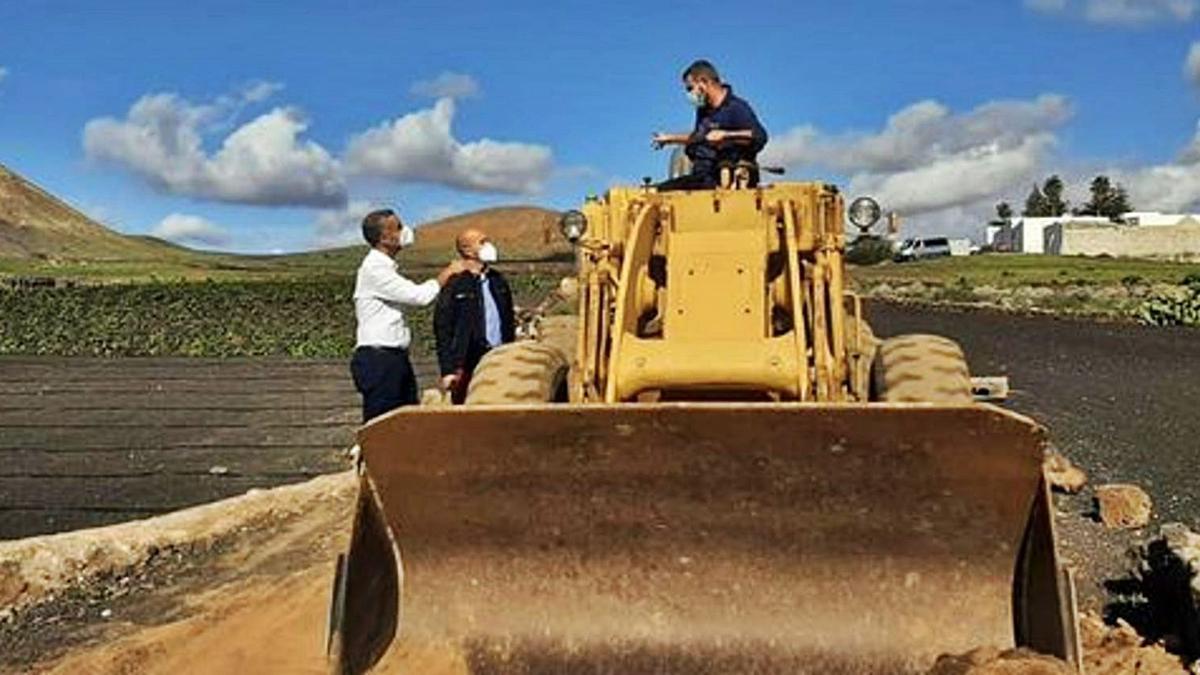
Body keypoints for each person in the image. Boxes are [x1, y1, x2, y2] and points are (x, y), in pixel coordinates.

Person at [351, 208, 465, 422]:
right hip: (380, 360)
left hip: (393, 357)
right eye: (399, 227)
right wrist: (448, 273)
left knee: (405, 423)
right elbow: (419, 296)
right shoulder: (375, 269)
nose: (405, 231)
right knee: (384, 425)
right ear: (385, 237)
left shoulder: (385, 267)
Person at [652, 59, 768, 191]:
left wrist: (726, 136)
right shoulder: (704, 111)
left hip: (727, 177)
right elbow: (699, 136)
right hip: (702, 176)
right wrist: (669, 139)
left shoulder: (736, 107)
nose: (689, 94)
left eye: (690, 88)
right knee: (660, 190)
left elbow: (760, 136)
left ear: (703, 82)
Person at [433, 228, 516, 404]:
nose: (489, 245)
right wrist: (448, 370)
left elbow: (508, 320)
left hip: (499, 357)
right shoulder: (456, 283)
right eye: (482, 242)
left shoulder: (498, 280)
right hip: (467, 360)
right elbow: (443, 328)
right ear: (467, 250)